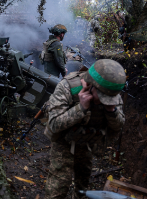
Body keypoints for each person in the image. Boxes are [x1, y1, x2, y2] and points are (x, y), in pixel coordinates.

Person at [43, 59, 126, 199]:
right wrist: (80, 108)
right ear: (91, 85)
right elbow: (54, 124)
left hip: (88, 143)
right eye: (102, 97)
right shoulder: (67, 87)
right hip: (64, 142)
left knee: (83, 183)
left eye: (109, 98)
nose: (103, 101)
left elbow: (118, 126)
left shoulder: (110, 90)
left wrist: (111, 111)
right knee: (58, 187)